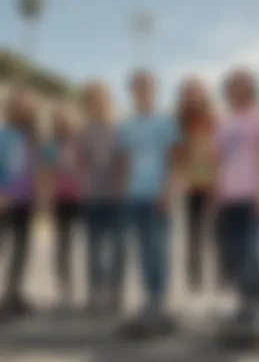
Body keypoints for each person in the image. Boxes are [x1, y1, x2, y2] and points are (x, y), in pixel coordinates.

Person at [118, 70, 181, 325]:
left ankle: (160, 300)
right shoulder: (127, 125)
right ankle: (149, 298)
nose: (142, 91)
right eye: (137, 87)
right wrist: (123, 191)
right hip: (134, 196)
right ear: (132, 92)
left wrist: (168, 191)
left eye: (147, 86)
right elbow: (125, 161)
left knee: (159, 249)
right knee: (142, 249)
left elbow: (175, 160)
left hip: (158, 194)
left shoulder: (166, 123)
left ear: (155, 90)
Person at [214, 67, 259, 327]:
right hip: (228, 198)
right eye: (233, 86)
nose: (237, 91)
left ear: (251, 89)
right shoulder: (225, 121)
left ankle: (258, 304)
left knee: (252, 254)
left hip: (251, 195)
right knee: (234, 253)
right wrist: (217, 193)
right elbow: (220, 160)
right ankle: (244, 302)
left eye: (242, 85)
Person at [81, 81, 127, 313]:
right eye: (94, 96)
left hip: (117, 198)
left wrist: (122, 187)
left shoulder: (120, 129)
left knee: (118, 248)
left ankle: (115, 294)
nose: (98, 101)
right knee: (94, 249)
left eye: (102, 96)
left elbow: (126, 161)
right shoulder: (85, 130)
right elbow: (82, 160)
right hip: (93, 197)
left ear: (109, 99)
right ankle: (95, 294)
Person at [176, 77, 220, 307]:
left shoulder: (214, 121)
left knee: (219, 241)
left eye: (197, 93)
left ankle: (223, 291)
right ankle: (196, 291)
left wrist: (218, 187)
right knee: (193, 242)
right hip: (192, 189)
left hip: (215, 188)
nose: (193, 98)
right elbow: (176, 157)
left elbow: (223, 156)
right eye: (188, 93)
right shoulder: (179, 122)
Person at [0, 92, 40, 320]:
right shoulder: (3, 134)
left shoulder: (35, 136)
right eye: (19, 106)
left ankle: (14, 294)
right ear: (11, 109)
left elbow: (43, 166)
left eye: (28, 107)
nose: (24, 110)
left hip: (27, 200)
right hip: (5, 200)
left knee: (21, 250)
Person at [43, 108, 83, 308]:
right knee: (63, 244)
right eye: (61, 121)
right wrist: (48, 202)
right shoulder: (51, 146)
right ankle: (64, 286)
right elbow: (48, 175)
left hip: (83, 198)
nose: (65, 124)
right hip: (61, 199)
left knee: (89, 244)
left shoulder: (81, 144)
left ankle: (90, 286)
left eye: (68, 120)